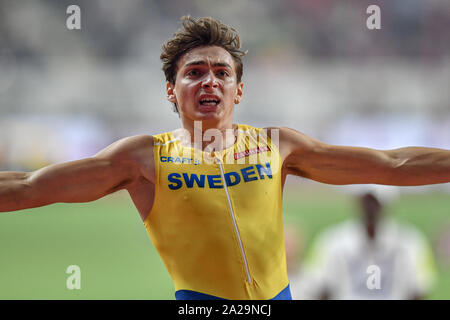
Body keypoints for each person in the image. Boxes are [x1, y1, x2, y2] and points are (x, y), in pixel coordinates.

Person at [0, 16, 449, 300]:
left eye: (222, 73)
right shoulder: (143, 158)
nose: (210, 82)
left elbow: (390, 165)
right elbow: (28, 187)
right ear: (171, 91)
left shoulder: (279, 146)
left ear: (239, 89)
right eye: (194, 73)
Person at [290, 191, 437, 300]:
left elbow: (419, 289)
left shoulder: (411, 241)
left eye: (374, 202)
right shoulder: (332, 240)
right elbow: (320, 288)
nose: (370, 208)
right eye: (367, 201)